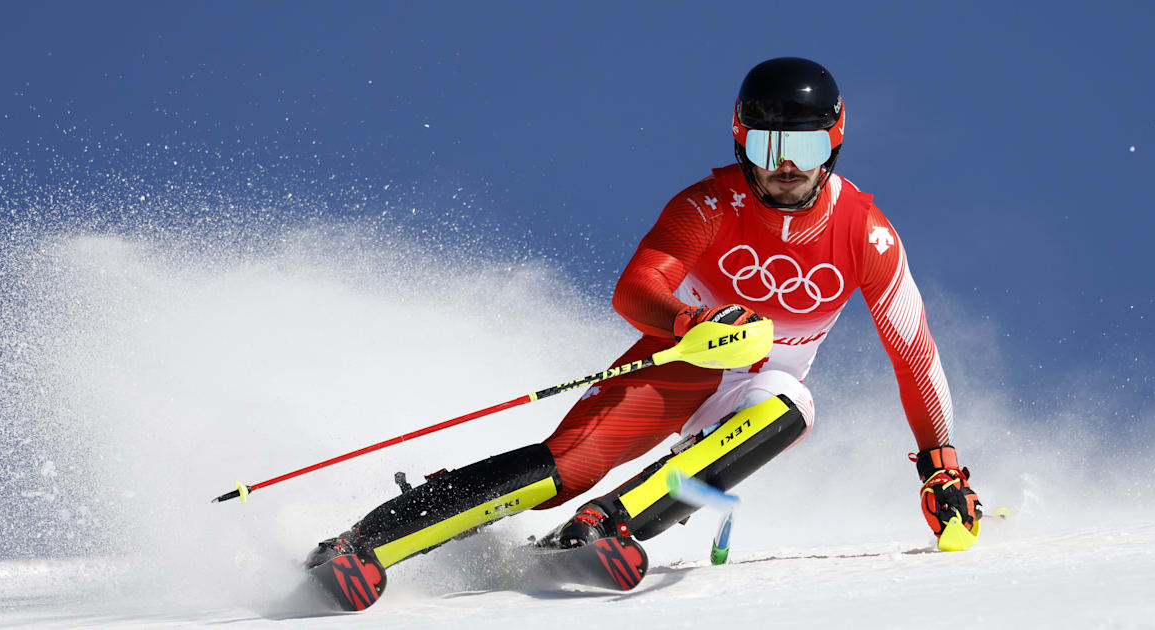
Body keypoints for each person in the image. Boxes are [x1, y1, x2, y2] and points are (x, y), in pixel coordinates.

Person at [306, 57, 982, 593]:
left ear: (832, 141)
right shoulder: (708, 204)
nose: (786, 166)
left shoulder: (865, 233)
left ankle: (607, 525)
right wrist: (695, 320)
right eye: (771, 143)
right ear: (743, 138)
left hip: (760, 386)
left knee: (794, 404)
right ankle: (362, 543)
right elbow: (634, 289)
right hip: (681, 363)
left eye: (804, 146)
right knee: (563, 470)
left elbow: (914, 355)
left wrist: (940, 467)